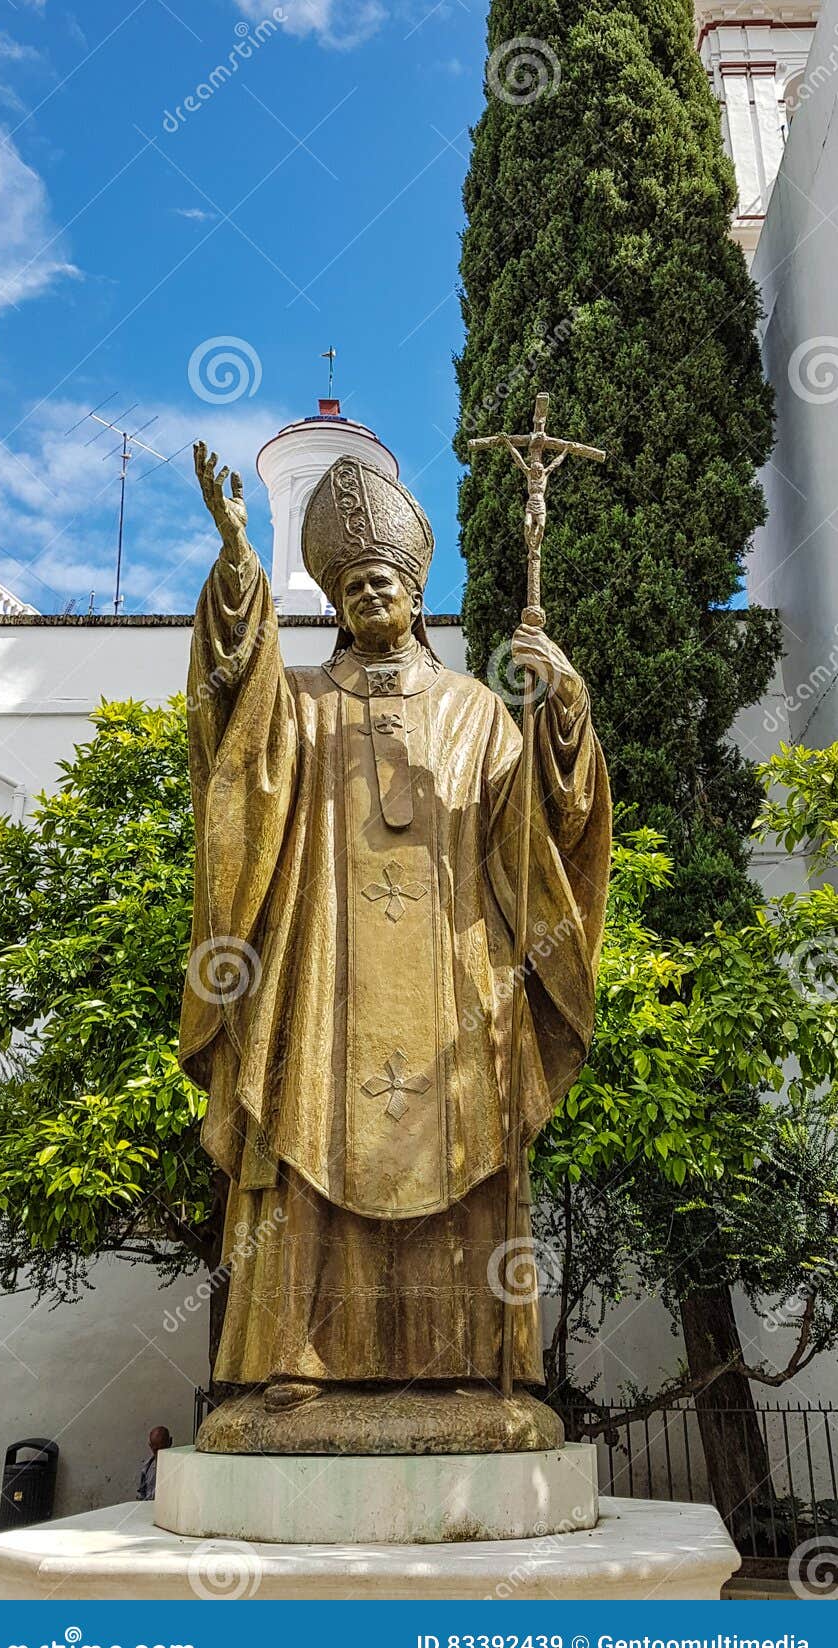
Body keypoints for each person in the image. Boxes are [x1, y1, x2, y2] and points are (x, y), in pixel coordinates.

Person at [179, 446, 610, 1420]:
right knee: (304, 1138)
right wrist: (239, 564)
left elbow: (541, 829)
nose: (370, 591)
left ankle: (467, 1366)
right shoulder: (298, 702)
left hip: (457, 984)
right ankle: (296, 1359)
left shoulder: (477, 710)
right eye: (353, 584)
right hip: (321, 979)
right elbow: (232, 730)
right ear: (336, 603)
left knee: (462, 1157)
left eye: (386, 579)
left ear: (416, 597)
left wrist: (561, 708)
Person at [136, 1426, 171, 1501]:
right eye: (155, 1450)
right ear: (150, 1445)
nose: (159, 1454)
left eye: (162, 1450)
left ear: (170, 1442)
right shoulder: (147, 1467)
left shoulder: (178, 1467)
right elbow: (141, 1494)